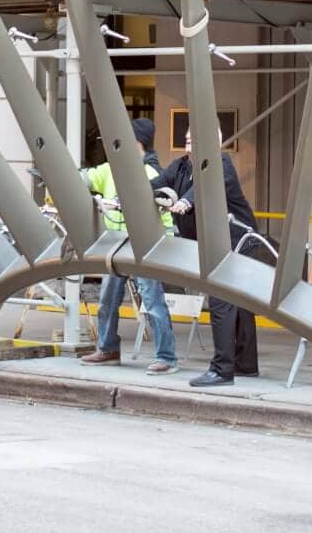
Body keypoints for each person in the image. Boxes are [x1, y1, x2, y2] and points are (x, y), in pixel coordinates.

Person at [152, 134, 262, 388]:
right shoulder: (180, 166)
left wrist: (185, 201)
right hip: (217, 242)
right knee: (239, 304)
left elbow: (205, 186)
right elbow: (156, 183)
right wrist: (126, 198)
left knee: (222, 301)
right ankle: (245, 365)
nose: (189, 140)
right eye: (187, 136)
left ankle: (222, 370)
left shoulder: (220, 164)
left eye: (196, 136)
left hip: (238, 240)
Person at [79, 118, 180, 375]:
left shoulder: (152, 175)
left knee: (152, 300)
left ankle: (166, 357)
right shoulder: (110, 170)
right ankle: (108, 348)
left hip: (144, 246)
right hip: (117, 244)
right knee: (108, 300)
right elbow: (85, 179)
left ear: (136, 143)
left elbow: (165, 215)